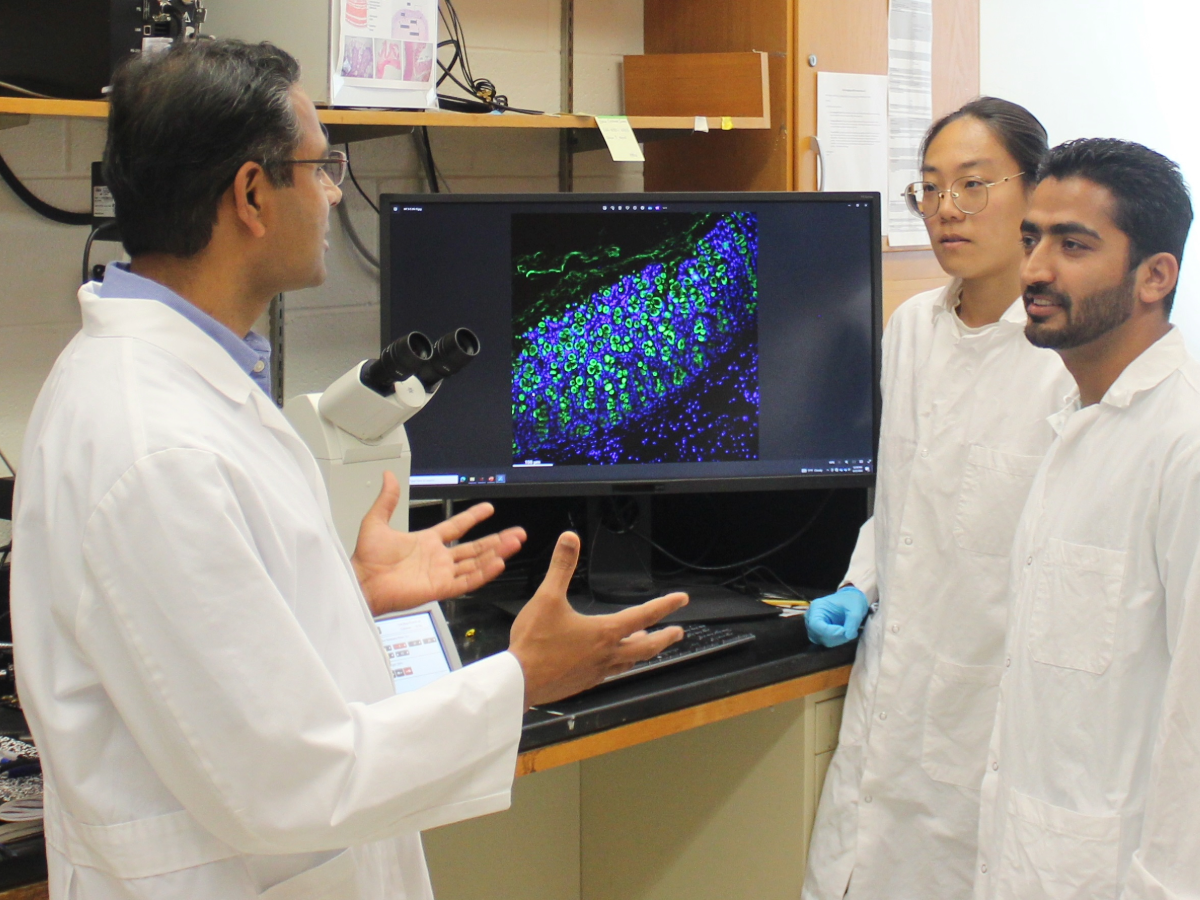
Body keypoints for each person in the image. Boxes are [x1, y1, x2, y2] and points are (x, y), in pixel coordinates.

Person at [9, 40, 687, 900]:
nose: (334, 191)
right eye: (320, 166)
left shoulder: (185, 386)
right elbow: (290, 781)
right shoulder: (155, 447)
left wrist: (339, 587)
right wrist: (519, 678)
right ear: (252, 195)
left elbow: (209, 648)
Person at [802, 98, 1076, 900]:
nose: (946, 209)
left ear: (1035, 192)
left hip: (991, 707)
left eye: (972, 185)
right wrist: (862, 581)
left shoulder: (1064, 358)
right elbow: (905, 497)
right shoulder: (913, 326)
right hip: (893, 696)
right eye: (928, 188)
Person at [974, 138, 1196, 899]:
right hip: (1032, 861)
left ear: (1154, 276)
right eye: (1032, 238)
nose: (1035, 269)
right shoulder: (1078, 418)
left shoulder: (1185, 445)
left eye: (1073, 245)